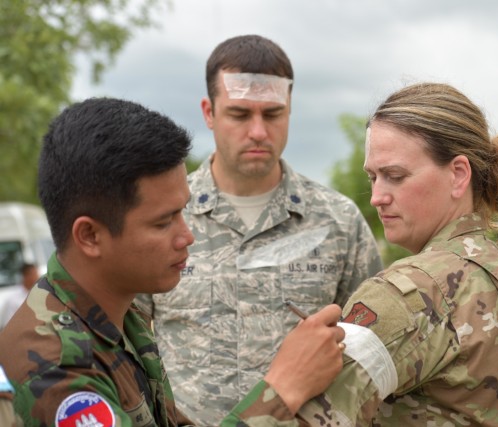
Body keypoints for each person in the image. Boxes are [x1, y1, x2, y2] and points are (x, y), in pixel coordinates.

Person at [0, 97, 347, 427]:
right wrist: (282, 389)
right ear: (90, 236)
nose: (187, 237)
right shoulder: (55, 366)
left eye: (182, 212)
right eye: (163, 222)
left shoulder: (121, 316)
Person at [136, 34, 383, 425]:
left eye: (272, 114)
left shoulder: (339, 222)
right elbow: (127, 347)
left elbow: (369, 352)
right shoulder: (164, 218)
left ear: (289, 110)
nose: (257, 131)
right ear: (209, 113)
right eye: (239, 114)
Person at [294, 82, 498, 426]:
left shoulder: (410, 291)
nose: (377, 196)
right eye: (374, 177)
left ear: (458, 175)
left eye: (395, 176)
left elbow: (312, 416)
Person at [0, 263, 39, 329]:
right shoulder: (13, 299)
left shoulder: (40, 295)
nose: (37, 276)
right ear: (26, 276)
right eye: (34, 274)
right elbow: (9, 325)